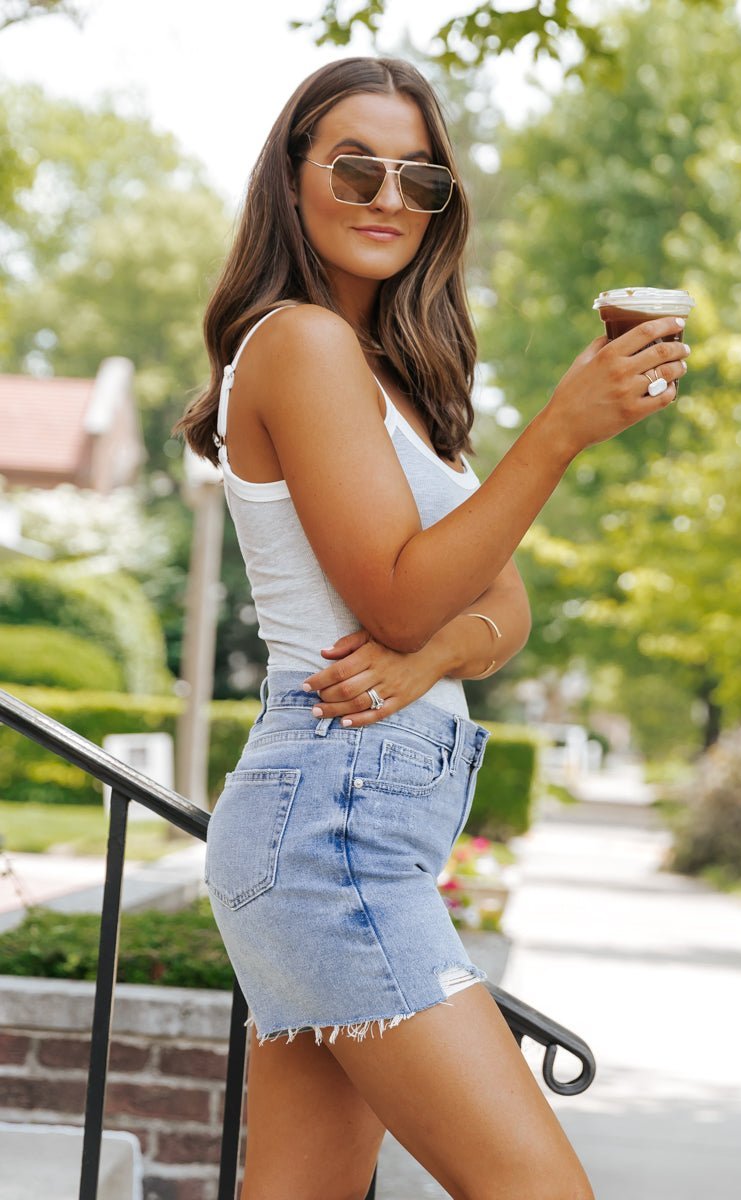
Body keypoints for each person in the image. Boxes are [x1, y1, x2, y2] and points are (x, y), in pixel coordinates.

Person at [175, 55, 689, 1200]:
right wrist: (558, 430)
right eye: (354, 166)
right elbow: (405, 592)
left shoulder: (397, 383)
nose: (388, 198)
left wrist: (434, 653)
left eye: (422, 180)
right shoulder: (300, 343)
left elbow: (494, 606)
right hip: (331, 825)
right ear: (291, 178)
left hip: (352, 817)